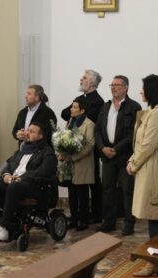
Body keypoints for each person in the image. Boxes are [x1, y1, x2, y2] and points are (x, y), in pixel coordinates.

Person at [127, 74, 158, 277]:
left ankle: (155, 262)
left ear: (152, 90)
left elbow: (148, 144)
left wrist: (134, 164)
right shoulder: (153, 111)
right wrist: (133, 160)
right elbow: (140, 143)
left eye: (143, 88)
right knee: (157, 218)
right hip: (149, 167)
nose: (141, 91)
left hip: (153, 170)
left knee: (156, 217)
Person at [0, 122, 57, 241]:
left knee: (14, 187)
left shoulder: (47, 152)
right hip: (14, 182)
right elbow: (9, 165)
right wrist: (6, 175)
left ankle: (4, 228)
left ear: (40, 136)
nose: (27, 133)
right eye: (28, 130)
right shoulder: (21, 151)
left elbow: (43, 172)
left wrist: (22, 178)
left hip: (33, 186)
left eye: (32, 132)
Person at [95, 75, 141, 235]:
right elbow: (98, 131)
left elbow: (133, 134)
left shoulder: (134, 107)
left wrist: (116, 149)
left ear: (126, 87)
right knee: (107, 189)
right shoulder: (105, 107)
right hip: (107, 156)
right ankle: (108, 222)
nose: (113, 88)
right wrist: (103, 148)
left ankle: (129, 224)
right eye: (112, 85)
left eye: (117, 85)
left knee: (127, 190)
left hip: (124, 157)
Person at [61, 70, 104, 224]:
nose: (81, 79)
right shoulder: (79, 99)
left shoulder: (98, 101)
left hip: (88, 148)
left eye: (84, 78)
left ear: (92, 82)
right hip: (73, 149)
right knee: (74, 185)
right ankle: (77, 215)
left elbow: (91, 124)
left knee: (91, 182)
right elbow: (64, 113)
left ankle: (95, 213)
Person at [58, 97, 95, 231]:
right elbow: (64, 140)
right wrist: (61, 152)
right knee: (72, 192)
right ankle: (73, 218)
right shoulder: (69, 122)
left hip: (82, 163)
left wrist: (73, 157)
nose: (71, 109)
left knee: (82, 193)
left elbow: (90, 145)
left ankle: (83, 219)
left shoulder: (89, 124)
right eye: (71, 106)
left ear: (82, 110)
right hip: (69, 164)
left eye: (74, 107)